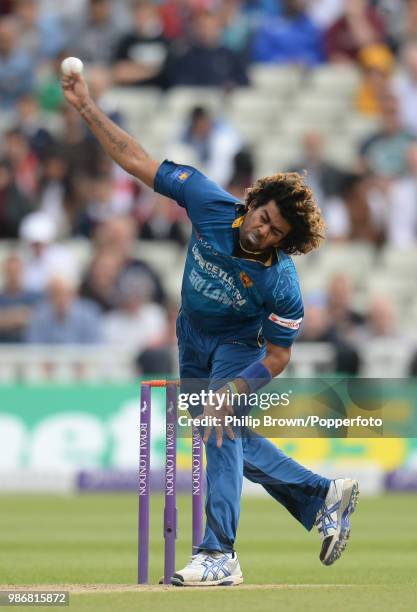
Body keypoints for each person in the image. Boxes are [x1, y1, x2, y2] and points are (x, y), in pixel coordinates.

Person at [61, 68, 359, 586]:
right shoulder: (205, 198)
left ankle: (220, 553)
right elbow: (136, 159)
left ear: (284, 242)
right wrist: (88, 107)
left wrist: (238, 387)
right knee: (218, 430)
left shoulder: (281, 282)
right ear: (251, 202)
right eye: (262, 217)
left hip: (240, 345)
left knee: (220, 423)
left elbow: (279, 356)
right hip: (190, 331)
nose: (262, 232)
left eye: (275, 232)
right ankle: (320, 495)